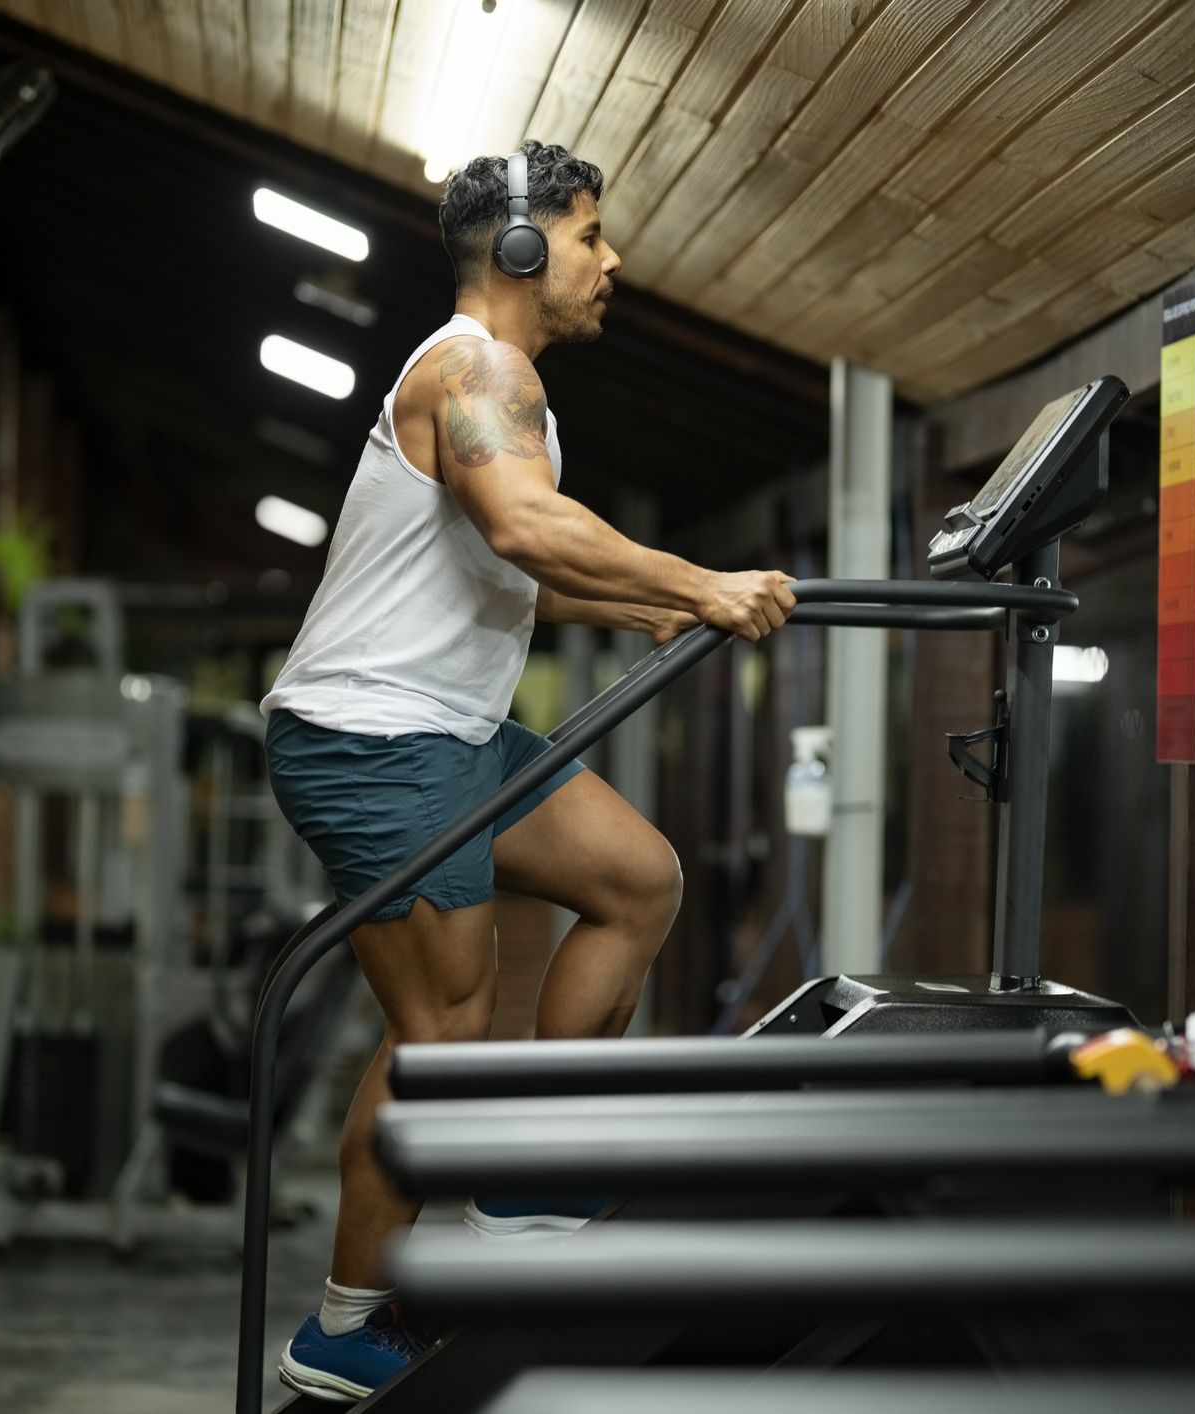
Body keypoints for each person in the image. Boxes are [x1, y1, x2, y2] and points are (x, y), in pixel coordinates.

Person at [260, 139, 797, 1401]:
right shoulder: (473, 369)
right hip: (369, 739)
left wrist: (630, 610)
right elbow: (524, 524)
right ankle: (346, 1317)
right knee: (440, 1034)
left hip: (442, 724)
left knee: (634, 878)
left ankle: (522, 1171)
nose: (608, 262)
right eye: (588, 236)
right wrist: (698, 583)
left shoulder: (503, 386)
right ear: (517, 249)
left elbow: (506, 570)